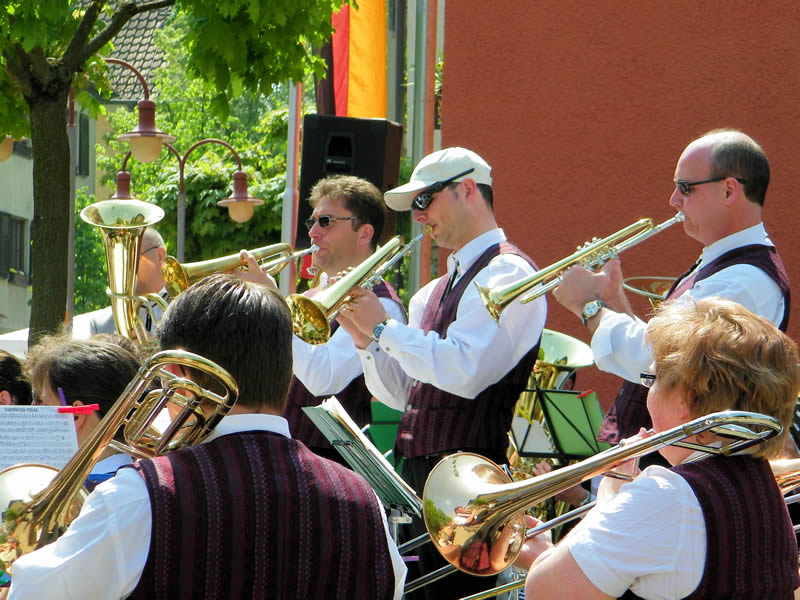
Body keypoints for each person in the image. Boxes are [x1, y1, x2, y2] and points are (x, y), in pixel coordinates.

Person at [9, 274, 406, 599]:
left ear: (176, 375)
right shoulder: (364, 501)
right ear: (287, 375)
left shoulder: (139, 495)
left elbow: (33, 593)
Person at [337, 147, 547, 599]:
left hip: (470, 485)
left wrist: (382, 327)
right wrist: (365, 341)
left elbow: (464, 371)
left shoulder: (507, 272)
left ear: (467, 189)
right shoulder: (433, 291)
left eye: (424, 200)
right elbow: (407, 395)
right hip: (427, 482)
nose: (418, 216)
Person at [517, 297, 800, 599]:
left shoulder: (666, 493)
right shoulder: (765, 487)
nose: (648, 394)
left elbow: (545, 591)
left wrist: (608, 497)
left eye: (653, 379)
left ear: (685, 400)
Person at [552, 129, 790, 449]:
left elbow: (657, 359)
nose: (673, 200)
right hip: (653, 458)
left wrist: (589, 307)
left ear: (728, 190)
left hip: (682, 465)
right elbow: (660, 346)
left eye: (685, 188)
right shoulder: (723, 265)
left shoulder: (744, 281)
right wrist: (613, 299)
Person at [246, 175, 406, 465]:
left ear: (364, 233)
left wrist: (275, 305)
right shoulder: (312, 294)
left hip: (329, 462)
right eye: (313, 222)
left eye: (326, 222)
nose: (313, 233)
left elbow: (323, 378)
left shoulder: (380, 305)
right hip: (282, 452)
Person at [23, 335, 141, 487]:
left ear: (76, 415)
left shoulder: (103, 494)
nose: (33, 410)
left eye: (40, 402)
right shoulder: (139, 479)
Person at [85, 226, 169, 337]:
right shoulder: (100, 325)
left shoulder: (186, 312)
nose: (124, 265)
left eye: (132, 257)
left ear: (160, 256)